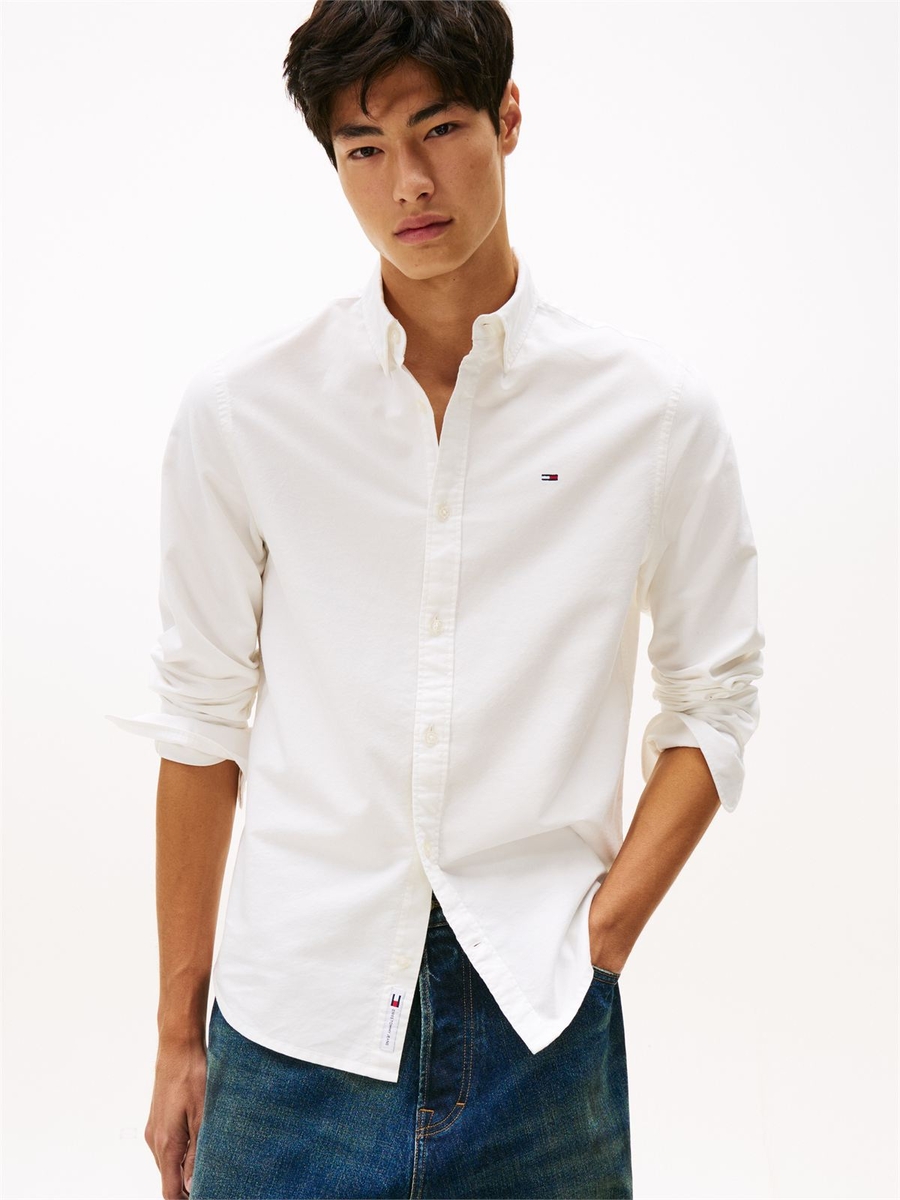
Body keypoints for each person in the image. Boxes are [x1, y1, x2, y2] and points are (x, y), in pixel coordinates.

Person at [106, 2, 765, 1197]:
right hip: (291, 1023)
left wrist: (603, 936)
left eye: (439, 128)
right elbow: (201, 722)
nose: (407, 181)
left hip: (540, 1026)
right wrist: (174, 1035)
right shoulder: (245, 414)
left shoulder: (652, 416)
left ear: (507, 117)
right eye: (364, 147)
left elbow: (714, 697)